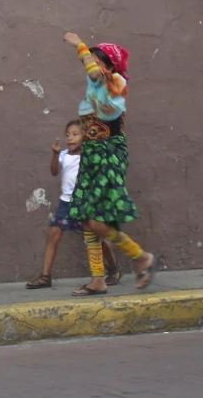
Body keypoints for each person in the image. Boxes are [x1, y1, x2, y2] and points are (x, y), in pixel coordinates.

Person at [61, 32, 160, 296]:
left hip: (108, 154)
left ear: (107, 65)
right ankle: (97, 279)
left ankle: (141, 257)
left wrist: (79, 45)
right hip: (93, 154)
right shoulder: (95, 88)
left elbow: (94, 74)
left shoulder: (113, 81)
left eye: (94, 60)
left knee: (96, 221)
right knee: (86, 219)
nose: (89, 64)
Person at [25, 120, 121, 289]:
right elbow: (54, 172)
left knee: (97, 237)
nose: (70, 138)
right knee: (53, 234)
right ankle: (45, 276)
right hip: (66, 202)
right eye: (68, 135)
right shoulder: (63, 155)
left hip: (85, 202)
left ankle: (113, 269)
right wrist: (54, 155)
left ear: (84, 136)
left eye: (75, 134)